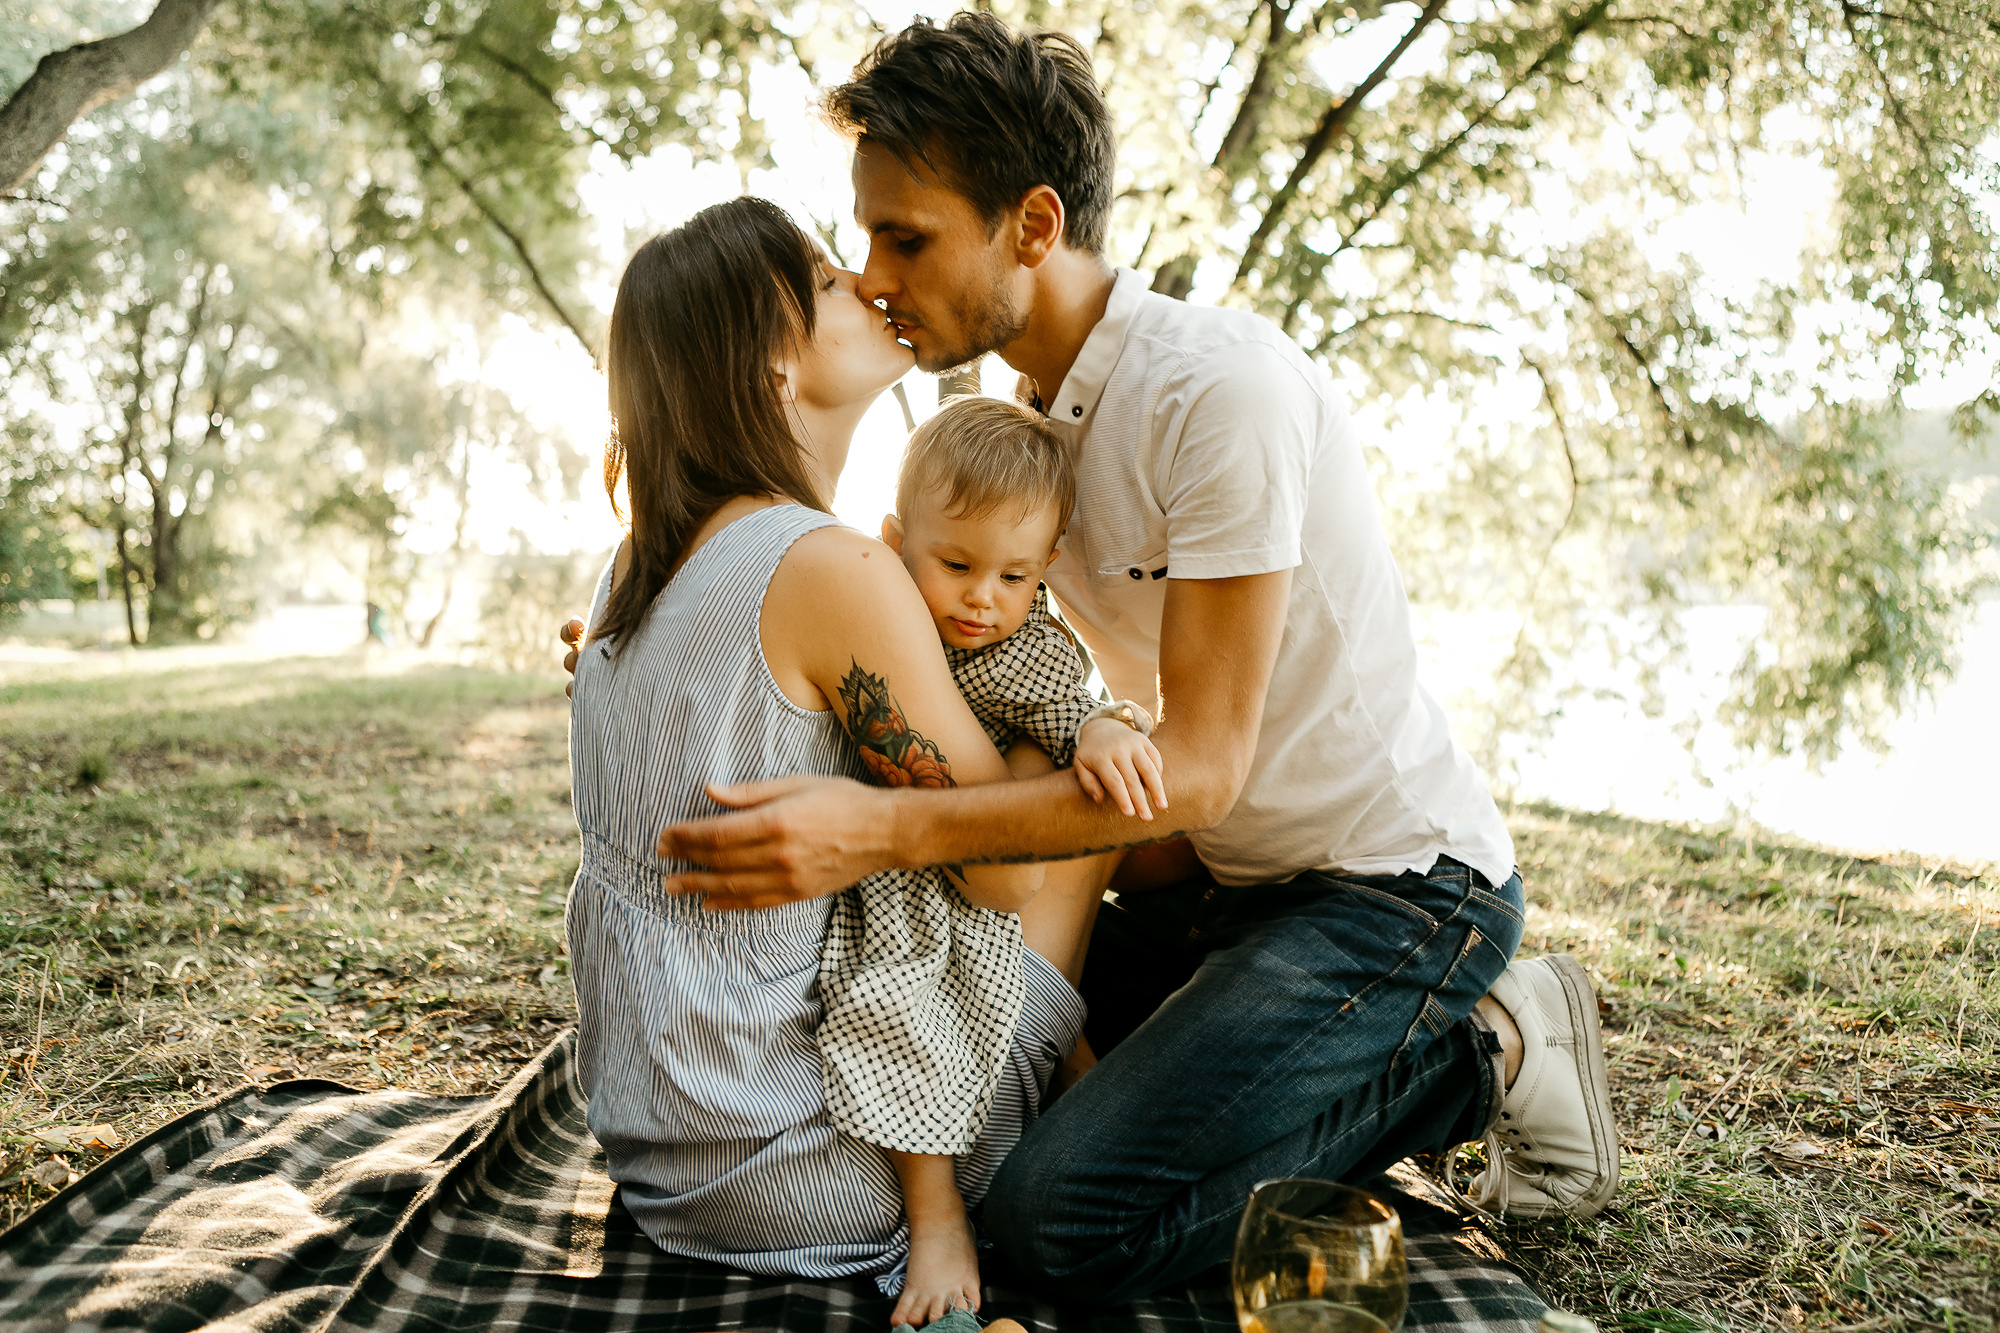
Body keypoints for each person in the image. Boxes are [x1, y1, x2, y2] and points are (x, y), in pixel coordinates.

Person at [641, 13, 1621, 1304]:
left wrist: (874, 833)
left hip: (1390, 894)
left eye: (907, 236)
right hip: (1211, 884)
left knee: (1056, 1222)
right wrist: (666, 617)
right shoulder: (1014, 435)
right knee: (981, 1065)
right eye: (867, 238)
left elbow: (1201, 766)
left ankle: (1486, 1046)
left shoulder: (1220, 393)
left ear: (1033, 228)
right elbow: (909, 648)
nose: (873, 274)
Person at [564, 195, 1100, 1324]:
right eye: (822, 280)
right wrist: (1063, 731)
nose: (865, 283)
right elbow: (1003, 877)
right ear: (769, 364)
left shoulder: (634, 561)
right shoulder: (828, 567)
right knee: (1069, 809)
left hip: (659, 1152)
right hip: (813, 1167)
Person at [818, 392, 1166, 1322]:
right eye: (957, 563)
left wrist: (1103, 727)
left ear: (1046, 567)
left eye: (1014, 575)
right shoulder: (873, 613)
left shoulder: (1034, 652)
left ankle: (940, 1215)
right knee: (885, 998)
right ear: (895, 540)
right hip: (892, 886)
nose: (983, 597)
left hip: (976, 886)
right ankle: (950, 1194)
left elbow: (1079, 706)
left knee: (912, 1001)